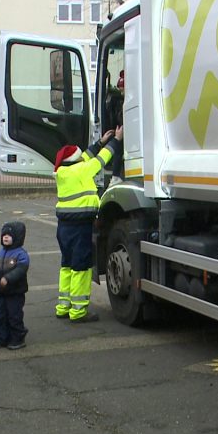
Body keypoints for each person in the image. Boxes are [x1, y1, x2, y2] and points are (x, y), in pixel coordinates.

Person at [53, 126, 122, 322]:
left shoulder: (62, 172)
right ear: (77, 160)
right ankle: (78, 311)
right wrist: (116, 140)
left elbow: (84, 156)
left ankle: (63, 307)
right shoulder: (82, 170)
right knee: (81, 268)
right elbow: (101, 159)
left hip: (64, 227)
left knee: (66, 266)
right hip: (80, 226)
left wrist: (100, 142)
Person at [0, 221, 30, 350]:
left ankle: (17, 337)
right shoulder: (0, 253)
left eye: (9, 235)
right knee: (1, 315)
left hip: (16, 292)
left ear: (17, 237)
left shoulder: (21, 254)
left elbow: (20, 270)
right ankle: (2, 337)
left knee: (14, 315)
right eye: (4, 235)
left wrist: (8, 278)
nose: (5, 237)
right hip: (3, 292)